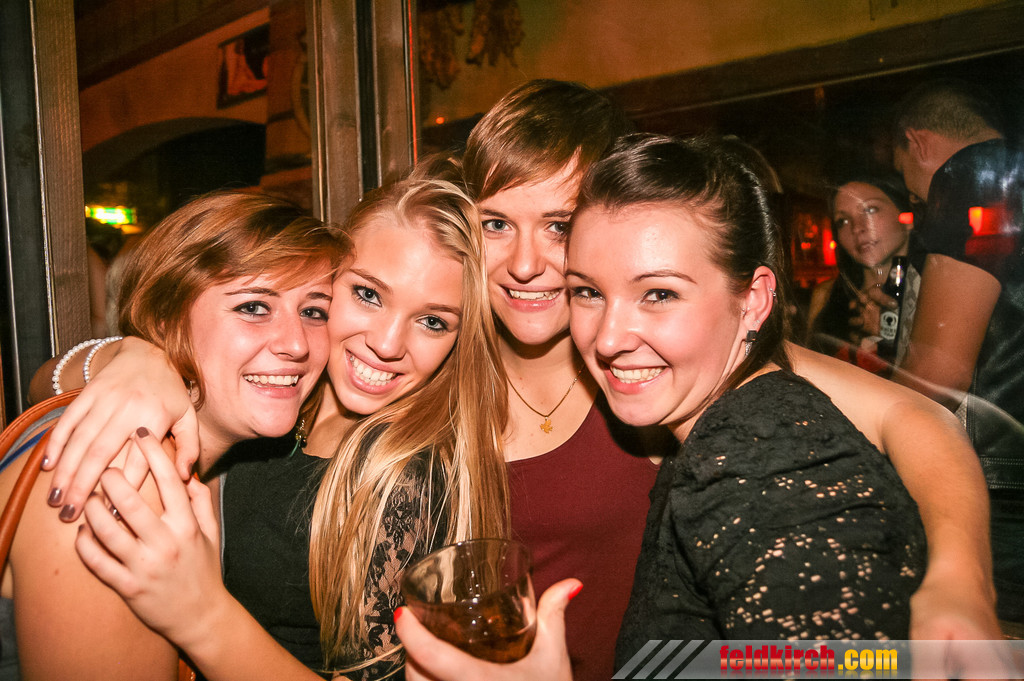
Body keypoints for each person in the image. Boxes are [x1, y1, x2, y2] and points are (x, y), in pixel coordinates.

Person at [40, 174, 509, 679]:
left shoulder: (406, 475)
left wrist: (202, 615)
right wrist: (131, 354)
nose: (388, 344)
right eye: (368, 294)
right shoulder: (278, 402)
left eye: (434, 322)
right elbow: (40, 384)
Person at [1, 190, 346, 680]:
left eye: (314, 311)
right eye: (253, 307)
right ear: (166, 320)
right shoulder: (125, 477)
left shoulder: (220, 460)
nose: (295, 344)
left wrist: (127, 352)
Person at [460, 79, 666, 681]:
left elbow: (902, 412)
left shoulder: (650, 366)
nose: (524, 265)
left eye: (558, 225)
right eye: (496, 224)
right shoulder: (434, 365)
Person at [890, 78, 1024, 624]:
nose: (919, 201)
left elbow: (938, 371)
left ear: (917, 142)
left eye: (910, 184)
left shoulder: (973, 175)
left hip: (1002, 487)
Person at [806, 173, 922, 373]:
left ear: (907, 218)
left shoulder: (933, 293)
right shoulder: (826, 296)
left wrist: (891, 341)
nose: (857, 228)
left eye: (870, 210)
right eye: (843, 221)